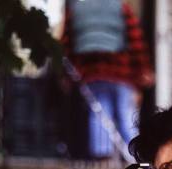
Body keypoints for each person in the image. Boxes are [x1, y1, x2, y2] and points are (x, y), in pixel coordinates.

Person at [56, 0, 154, 159]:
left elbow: (67, 44)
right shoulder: (121, 8)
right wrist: (143, 71)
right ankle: (135, 159)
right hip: (121, 73)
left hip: (91, 74)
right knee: (126, 116)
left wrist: (66, 76)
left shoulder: (76, 10)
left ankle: (103, 162)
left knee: (99, 117)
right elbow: (136, 41)